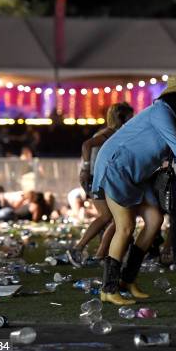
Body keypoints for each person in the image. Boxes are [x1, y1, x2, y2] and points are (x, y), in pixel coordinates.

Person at [92, 72, 176, 305]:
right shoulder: (161, 111)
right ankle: (108, 288)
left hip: (138, 174)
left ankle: (127, 280)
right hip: (116, 167)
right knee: (125, 227)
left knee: (155, 220)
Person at [67, 102, 134, 267]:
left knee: (115, 219)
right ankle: (79, 248)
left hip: (100, 178)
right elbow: (86, 145)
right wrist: (85, 168)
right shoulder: (109, 133)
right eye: (130, 117)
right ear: (121, 117)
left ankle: (100, 254)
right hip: (97, 178)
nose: (132, 120)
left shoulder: (113, 132)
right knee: (107, 217)